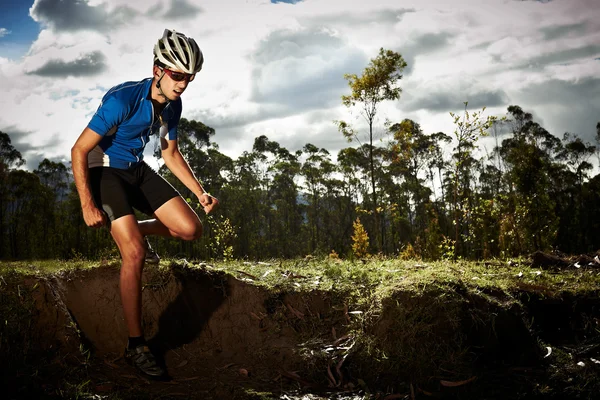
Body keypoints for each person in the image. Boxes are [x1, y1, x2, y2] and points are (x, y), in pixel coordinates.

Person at [71, 29, 218, 379]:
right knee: (134, 254)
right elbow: (79, 150)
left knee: (190, 228)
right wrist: (86, 204)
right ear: (158, 70)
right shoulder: (122, 101)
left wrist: (199, 192)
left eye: (189, 78)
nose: (183, 84)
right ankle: (136, 346)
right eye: (178, 76)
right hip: (104, 170)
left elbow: (169, 152)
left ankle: (130, 231)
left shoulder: (173, 105)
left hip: (135, 169)